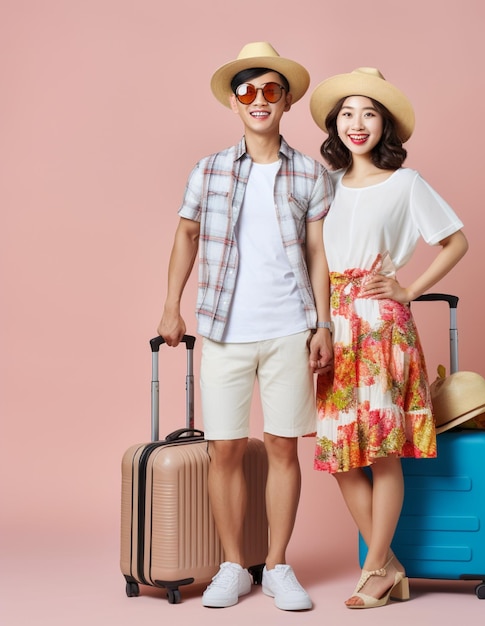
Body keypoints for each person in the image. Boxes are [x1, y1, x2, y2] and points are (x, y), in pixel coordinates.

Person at [157, 42, 333, 611]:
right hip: (223, 331)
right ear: (234, 103)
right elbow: (185, 236)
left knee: (284, 447)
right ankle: (234, 565)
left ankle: (278, 564)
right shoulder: (207, 170)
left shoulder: (309, 172)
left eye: (270, 91)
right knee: (224, 450)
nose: (259, 100)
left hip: (290, 329)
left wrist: (323, 323)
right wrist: (170, 305)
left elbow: (318, 253)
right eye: (248, 91)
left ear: (285, 102)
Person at [309, 67, 469, 609]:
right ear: (335, 124)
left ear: (385, 126)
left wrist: (408, 289)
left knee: (380, 450)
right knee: (339, 451)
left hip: (380, 324)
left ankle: (374, 565)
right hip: (332, 322)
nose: (358, 124)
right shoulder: (323, 184)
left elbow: (455, 242)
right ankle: (389, 565)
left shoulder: (407, 183)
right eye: (348, 114)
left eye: (370, 113)